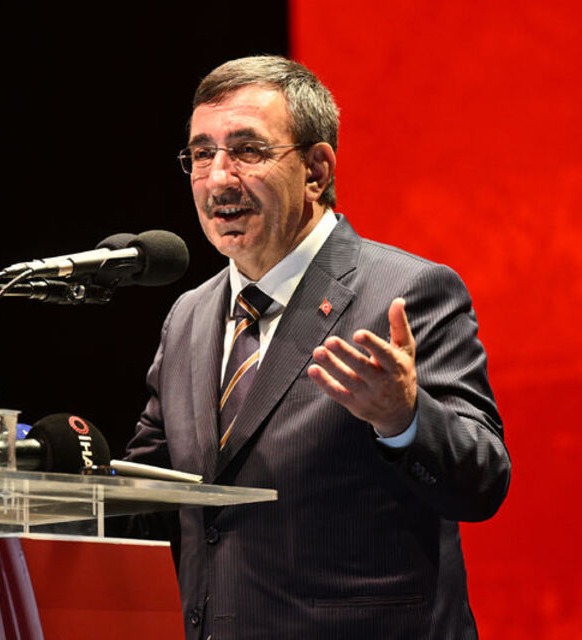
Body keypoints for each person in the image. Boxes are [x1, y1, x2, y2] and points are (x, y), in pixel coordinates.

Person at [124, 55, 511, 640]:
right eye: (202, 154)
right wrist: (18, 462)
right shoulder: (190, 316)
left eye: (247, 151)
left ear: (316, 169)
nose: (218, 178)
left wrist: (403, 418)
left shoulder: (407, 292)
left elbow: (481, 483)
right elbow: (148, 492)